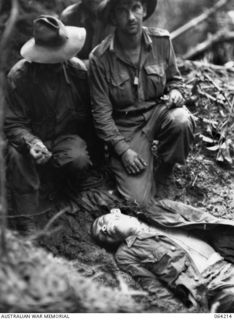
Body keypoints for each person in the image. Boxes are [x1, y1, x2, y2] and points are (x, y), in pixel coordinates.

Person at [89, 0, 195, 204]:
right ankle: (135, 167)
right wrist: (123, 151)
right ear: (112, 18)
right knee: (139, 202)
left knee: (181, 119)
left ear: (144, 10)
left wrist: (174, 90)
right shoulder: (100, 58)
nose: (130, 17)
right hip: (126, 128)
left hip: (157, 112)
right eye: (122, 10)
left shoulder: (162, 41)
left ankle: (164, 168)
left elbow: (175, 78)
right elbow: (101, 115)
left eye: (135, 8)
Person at [4, 15, 100, 234]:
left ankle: (63, 188)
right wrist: (31, 143)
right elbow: (13, 124)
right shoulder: (19, 77)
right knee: (16, 156)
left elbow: (90, 118)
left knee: (78, 158)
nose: (54, 63)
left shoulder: (78, 73)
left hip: (64, 139)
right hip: (30, 142)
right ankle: (26, 216)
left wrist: (98, 156)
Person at [91, 202, 234, 312]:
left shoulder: (160, 207)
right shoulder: (125, 254)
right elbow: (154, 287)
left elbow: (205, 220)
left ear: (115, 212)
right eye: (101, 235)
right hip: (209, 284)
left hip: (226, 262)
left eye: (102, 222)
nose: (103, 229)